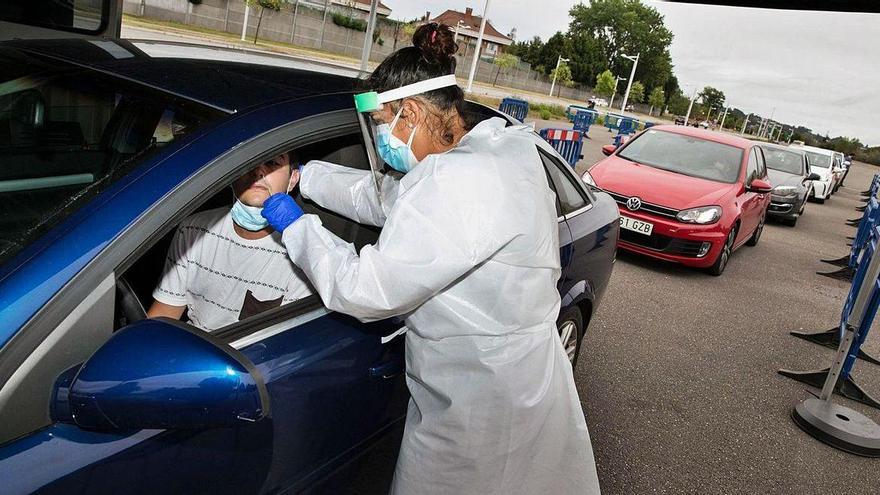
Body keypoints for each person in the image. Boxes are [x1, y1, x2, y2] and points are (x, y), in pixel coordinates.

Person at [260, 23, 600, 495]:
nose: (381, 139)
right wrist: (305, 177)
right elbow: (384, 199)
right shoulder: (494, 152)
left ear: (412, 112)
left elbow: (364, 289)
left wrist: (292, 222)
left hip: (479, 403)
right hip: (512, 380)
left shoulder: (459, 183)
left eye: (382, 125)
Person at [147, 152, 313, 331]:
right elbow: (163, 314)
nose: (259, 171)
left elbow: (285, 340)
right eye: (249, 161)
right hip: (192, 350)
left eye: (272, 162)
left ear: (293, 178)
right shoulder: (193, 230)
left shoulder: (304, 249)